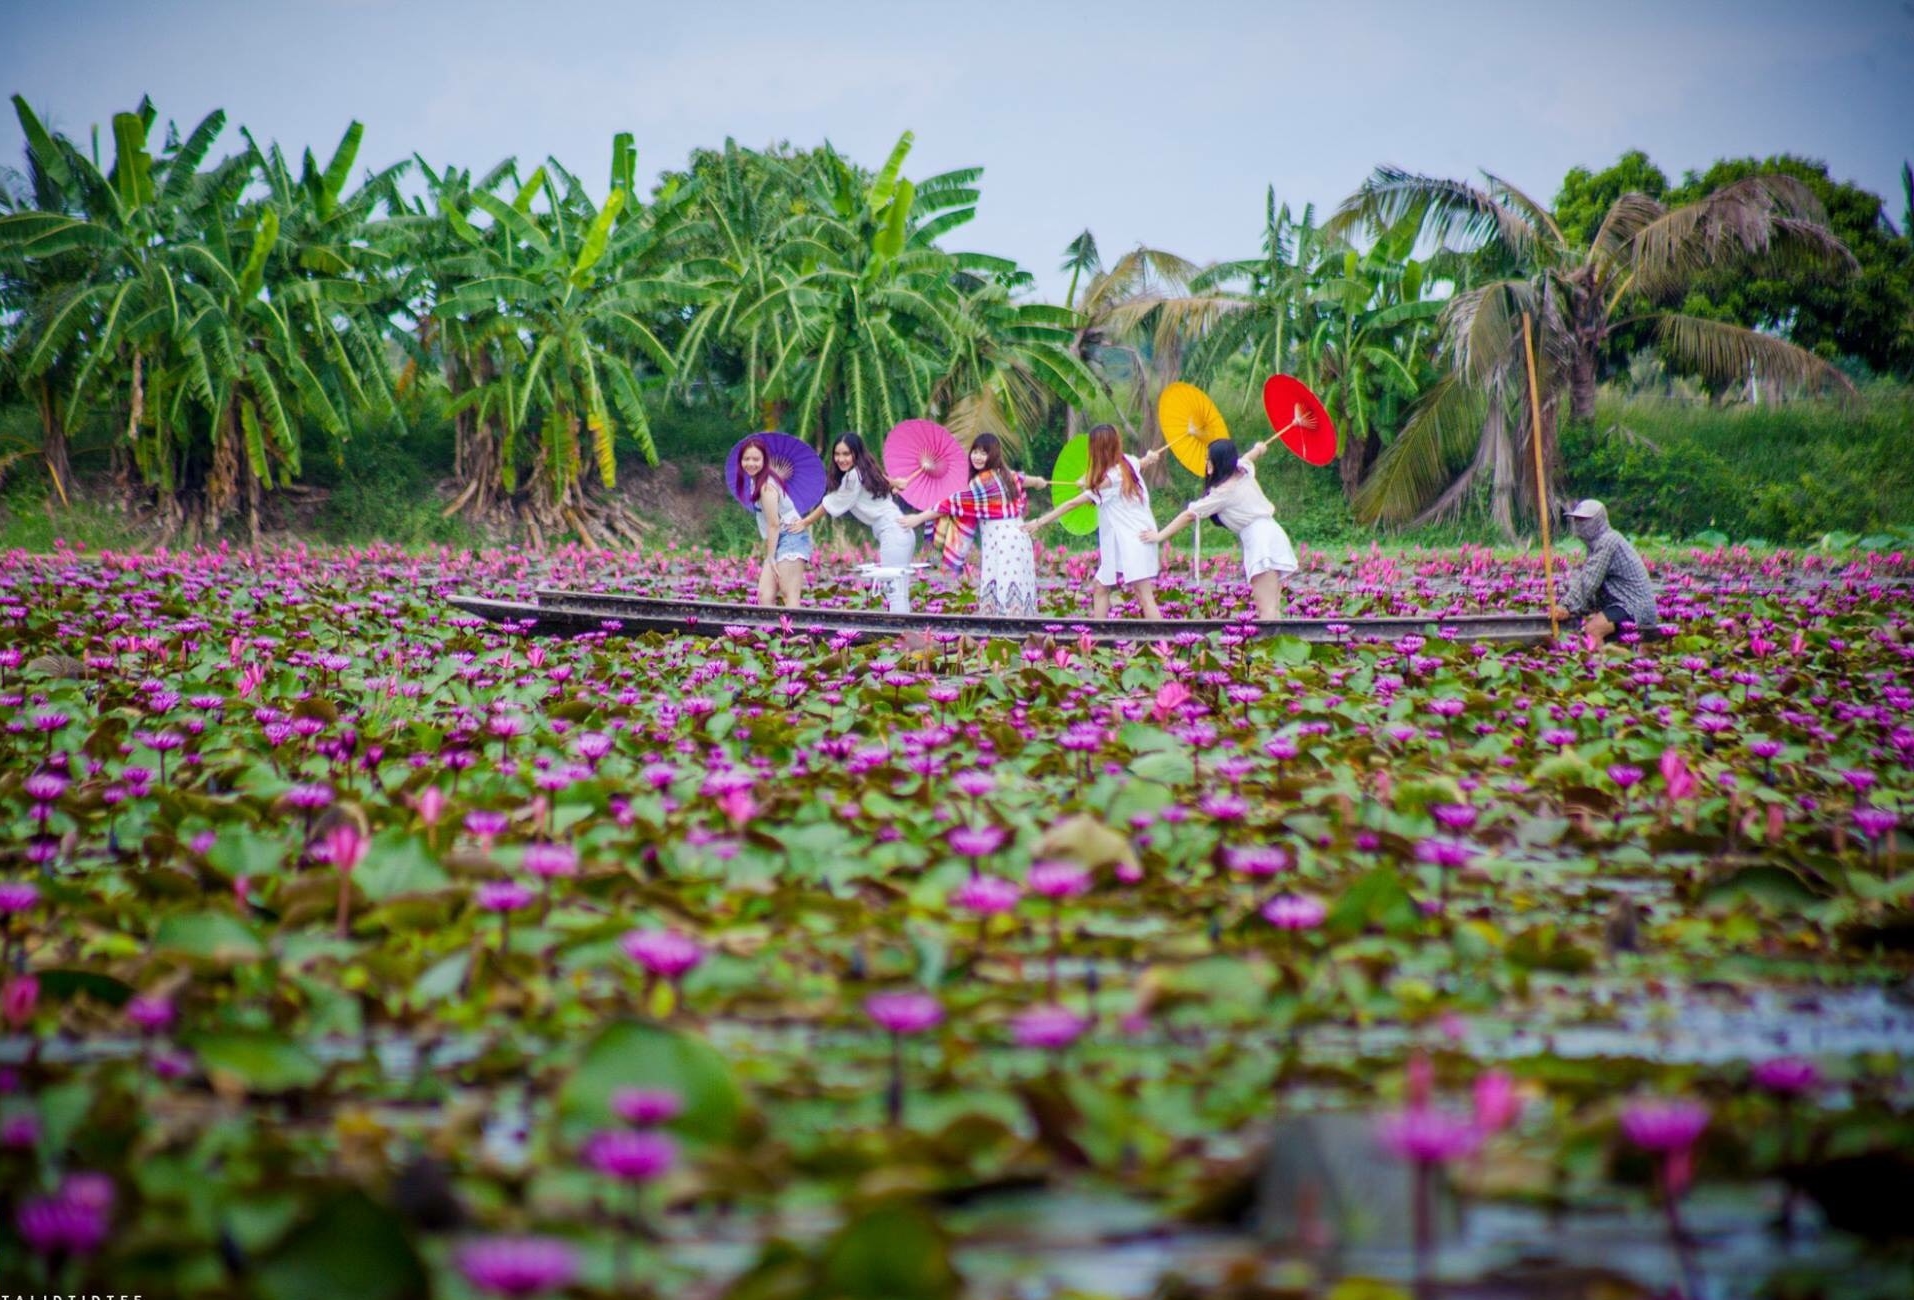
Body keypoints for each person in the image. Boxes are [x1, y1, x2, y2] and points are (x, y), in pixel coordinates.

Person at [1140, 435, 1297, 620]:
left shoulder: (1223, 493)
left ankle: (1271, 646)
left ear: (1215, 462)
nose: (1206, 462)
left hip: (1262, 540)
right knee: (1272, 607)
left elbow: (1189, 515)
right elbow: (1248, 457)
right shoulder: (1242, 471)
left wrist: (1159, 536)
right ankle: (1273, 644)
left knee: (1267, 609)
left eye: (1208, 458)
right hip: (1272, 534)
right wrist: (1259, 449)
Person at [1023, 423, 1168, 619]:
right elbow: (1140, 463)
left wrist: (1039, 522)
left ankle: (1162, 644)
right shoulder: (1128, 462)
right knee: (1101, 586)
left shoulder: (1107, 481)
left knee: (1144, 596)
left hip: (1135, 540)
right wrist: (1149, 458)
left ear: (1096, 449)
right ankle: (1098, 636)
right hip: (1132, 537)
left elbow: (1072, 504)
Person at [898, 433, 1047, 617]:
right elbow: (1028, 480)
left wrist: (919, 518)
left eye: (983, 453)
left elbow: (951, 503)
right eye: (975, 452)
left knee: (1003, 587)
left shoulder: (981, 482)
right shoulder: (1007, 475)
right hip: (1020, 538)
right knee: (1016, 587)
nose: (977, 457)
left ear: (993, 455)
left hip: (1002, 542)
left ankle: (1004, 635)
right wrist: (1040, 482)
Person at [789, 432, 917, 613]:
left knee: (894, 591)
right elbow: (887, 481)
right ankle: (904, 634)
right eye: (837, 454)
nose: (841, 459)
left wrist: (805, 522)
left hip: (894, 531)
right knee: (897, 590)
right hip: (899, 532)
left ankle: (900, 635)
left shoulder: (853, 476)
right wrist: (895, 482)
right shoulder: (867, 471)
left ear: (856, 454)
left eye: (846, 454)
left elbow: (831, 502)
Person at [1551, 498, 1658, 643]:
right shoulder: (1595, 546)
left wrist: (1567, 606)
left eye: (1583, 520)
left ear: (1598, 521)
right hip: (1618, 605)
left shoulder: (1608, 541)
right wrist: (1574, 608)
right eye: (1577, 520)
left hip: (1633, 606)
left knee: (1593, 630)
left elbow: (1589, 580)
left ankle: (1597, 665)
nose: (1579, 525)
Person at [735, 435, 811, 608]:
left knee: (788, 593)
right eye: (746, 459)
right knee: (765, 595)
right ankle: (770, 632)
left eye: (756, 459)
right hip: (779, 539)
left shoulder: (766, 487)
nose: (751, 463)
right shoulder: (757, 482)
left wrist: (770, 557)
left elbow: (774, 524)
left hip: (791, 538)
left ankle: (797, 633)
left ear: (764, 461)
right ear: (740, 461)